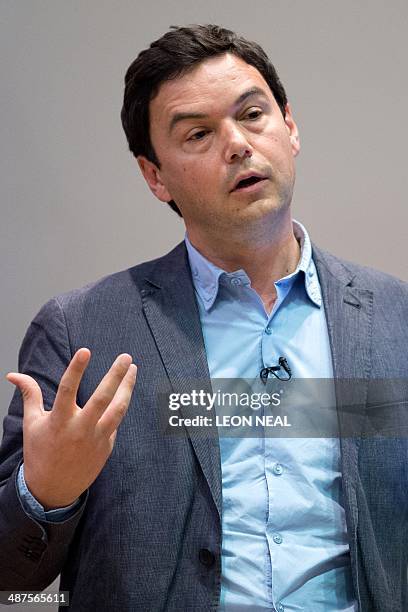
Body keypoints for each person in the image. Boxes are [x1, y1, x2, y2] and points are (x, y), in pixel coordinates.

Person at [0, 24, 407, 612]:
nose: (238, 143)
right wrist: (46, 493)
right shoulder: (81, 329)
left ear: (289, 127)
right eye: (198, 133)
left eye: (253, 114)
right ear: (155, 176)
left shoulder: (392, 319)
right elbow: (11, 572)